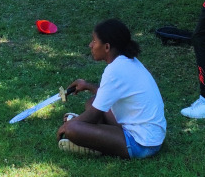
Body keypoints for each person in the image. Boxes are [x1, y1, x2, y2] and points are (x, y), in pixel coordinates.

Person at [57, 19, 166, 159]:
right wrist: (88, 86)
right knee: (92, 102)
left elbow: (93, 115)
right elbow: (107, 95)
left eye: (94, 41)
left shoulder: (114, 70)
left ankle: (95, 144)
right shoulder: (128, 61)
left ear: (107, 47)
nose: (90, 45)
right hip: (152, 135)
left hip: (142, 144)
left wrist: (68, 126)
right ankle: (98, 136)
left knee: (73, 129)